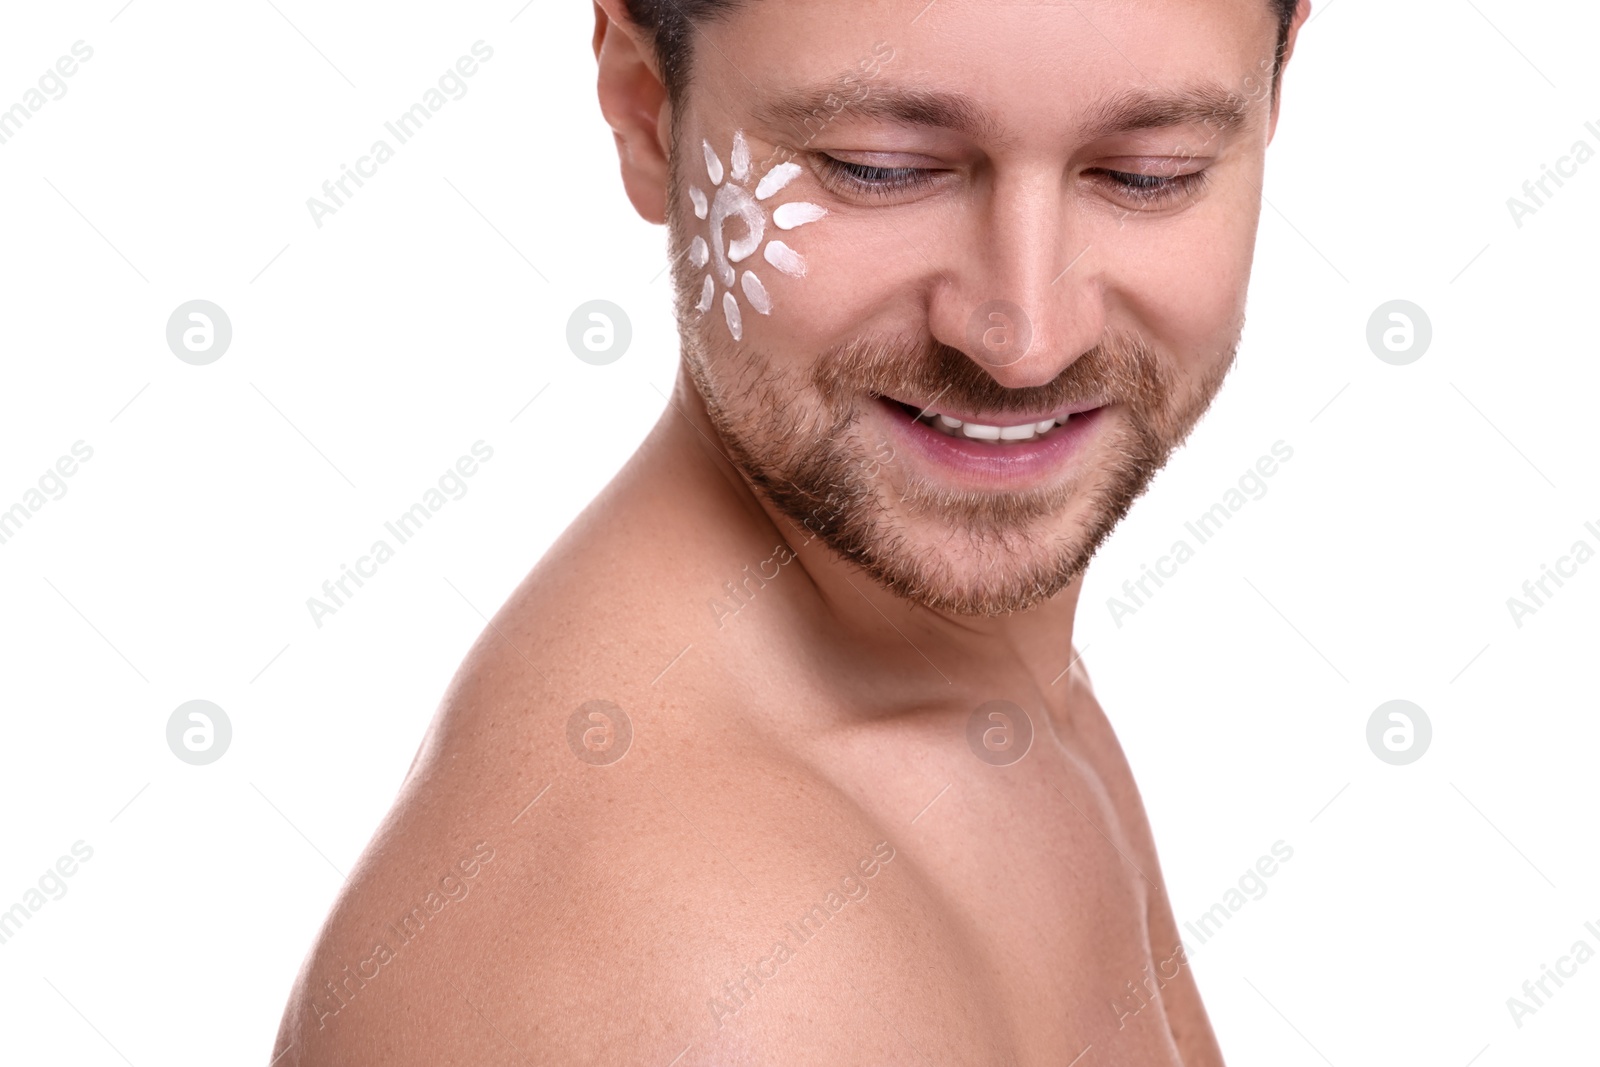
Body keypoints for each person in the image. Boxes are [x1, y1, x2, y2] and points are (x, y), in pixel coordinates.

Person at [274, 0, 1311, 1062]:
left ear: (1275, 92)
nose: (1023, 337)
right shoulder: (677, 975)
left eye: (1150, 173)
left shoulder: (985, 694)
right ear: (645, 111)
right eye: (880, 167)